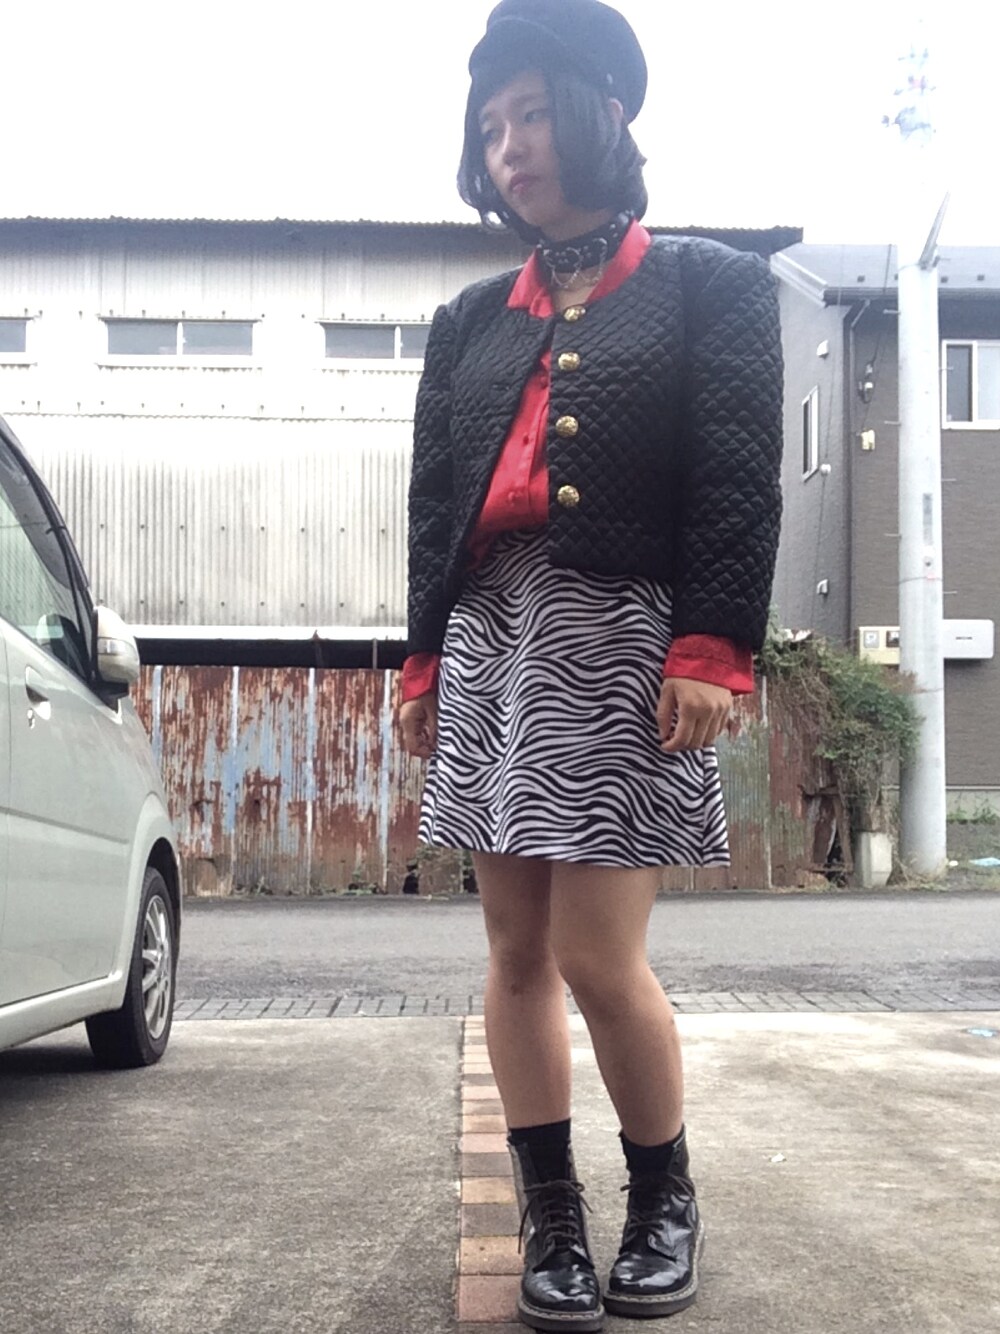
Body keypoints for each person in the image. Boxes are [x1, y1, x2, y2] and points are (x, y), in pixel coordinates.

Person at [399, 1, 783, 1328]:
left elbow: (735, 478)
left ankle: (664, 1198)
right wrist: (422, 661)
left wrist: (714, 645)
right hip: (493, 640)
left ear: (601, 114)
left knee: (596, 954)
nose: (508, 146)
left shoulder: (711, 285)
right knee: (513, 949)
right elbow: (435, 504)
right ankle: (550, 1213)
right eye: (488, 125)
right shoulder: (466, 321)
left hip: (624, 640)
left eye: (531, 114)